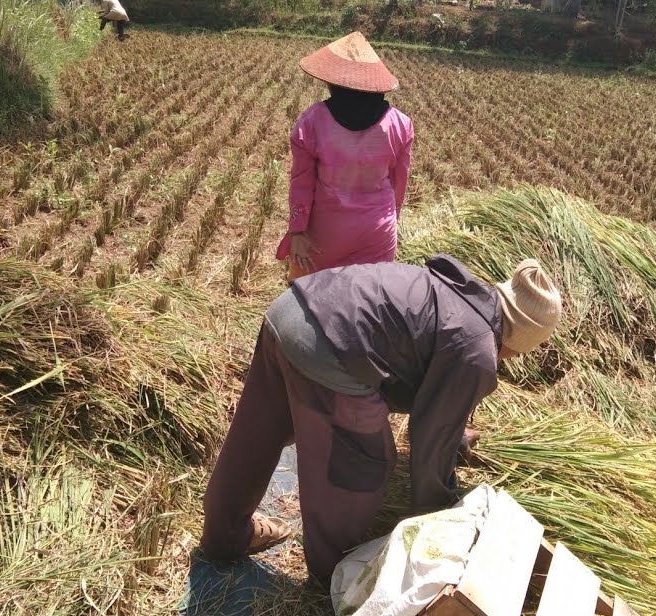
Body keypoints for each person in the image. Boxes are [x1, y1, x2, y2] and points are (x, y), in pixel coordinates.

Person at [201, 256, 562, 586]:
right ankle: (333, 580)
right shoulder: (478, 350)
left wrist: (454, 435)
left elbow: (421, 381)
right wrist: (437, 518)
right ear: (522, 339)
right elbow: (429, 442)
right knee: (361, 464)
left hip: (290, 310)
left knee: (259, 431)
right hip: (329, 349)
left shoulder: (461, 295)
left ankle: (224, 535)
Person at [277, 32, 413, 283]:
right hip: (378, 229)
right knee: (367, 301)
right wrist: (394, 220)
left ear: (332, 83)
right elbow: (399, 183)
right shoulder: (401, 124)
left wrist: (297, 231)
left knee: (312, 300)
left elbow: (302, 182)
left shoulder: (312, 122)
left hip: (327, 231)